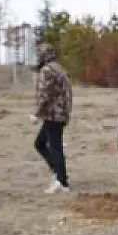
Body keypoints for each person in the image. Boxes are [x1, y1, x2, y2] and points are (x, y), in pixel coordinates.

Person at [33, 43, 74, 194]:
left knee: (54, 146)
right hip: (60, 113)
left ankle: (61, 181)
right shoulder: (58, 68)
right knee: (40, 143)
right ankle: (59, 173)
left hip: (53, 114)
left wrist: (37, 113)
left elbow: (45, 94)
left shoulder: (47, 70)